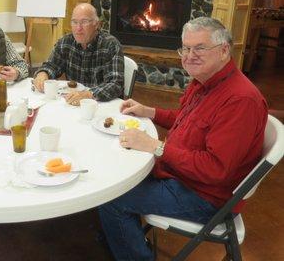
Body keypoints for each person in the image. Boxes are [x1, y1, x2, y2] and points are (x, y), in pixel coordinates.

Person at [98, 17, 267, 261]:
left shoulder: (240, 100)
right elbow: (190, 121)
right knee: (114, 173)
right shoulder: (204, 81)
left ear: (224, 51)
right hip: (180, 175)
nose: (189, 55)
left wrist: (156, 147)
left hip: (204, 195)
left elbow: (216, 169)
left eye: (199, 48)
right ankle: (121, 236)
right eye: (185, 48)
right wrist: (150, 112)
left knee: (112, 198)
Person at [33, 3, 124, 104]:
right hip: (73, 102)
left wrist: (89, 94)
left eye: (84, 22)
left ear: (97, 24)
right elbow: (51, 65)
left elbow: (116, 84)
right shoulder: (65, 42)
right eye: (74, 22)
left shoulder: (110, 45)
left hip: (101, 104)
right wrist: (43, 73)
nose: (78, 28)